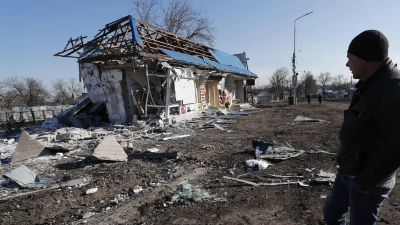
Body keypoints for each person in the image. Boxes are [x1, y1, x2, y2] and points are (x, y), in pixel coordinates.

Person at [323, 30, 400, 224]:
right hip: (348, 171)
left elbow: (395, 147)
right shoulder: (368, 83)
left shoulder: (392, 89)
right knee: (332, 214)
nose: (347, 64)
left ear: (365, 59)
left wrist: (363, 184)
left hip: (368, 182)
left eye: (350, 58)